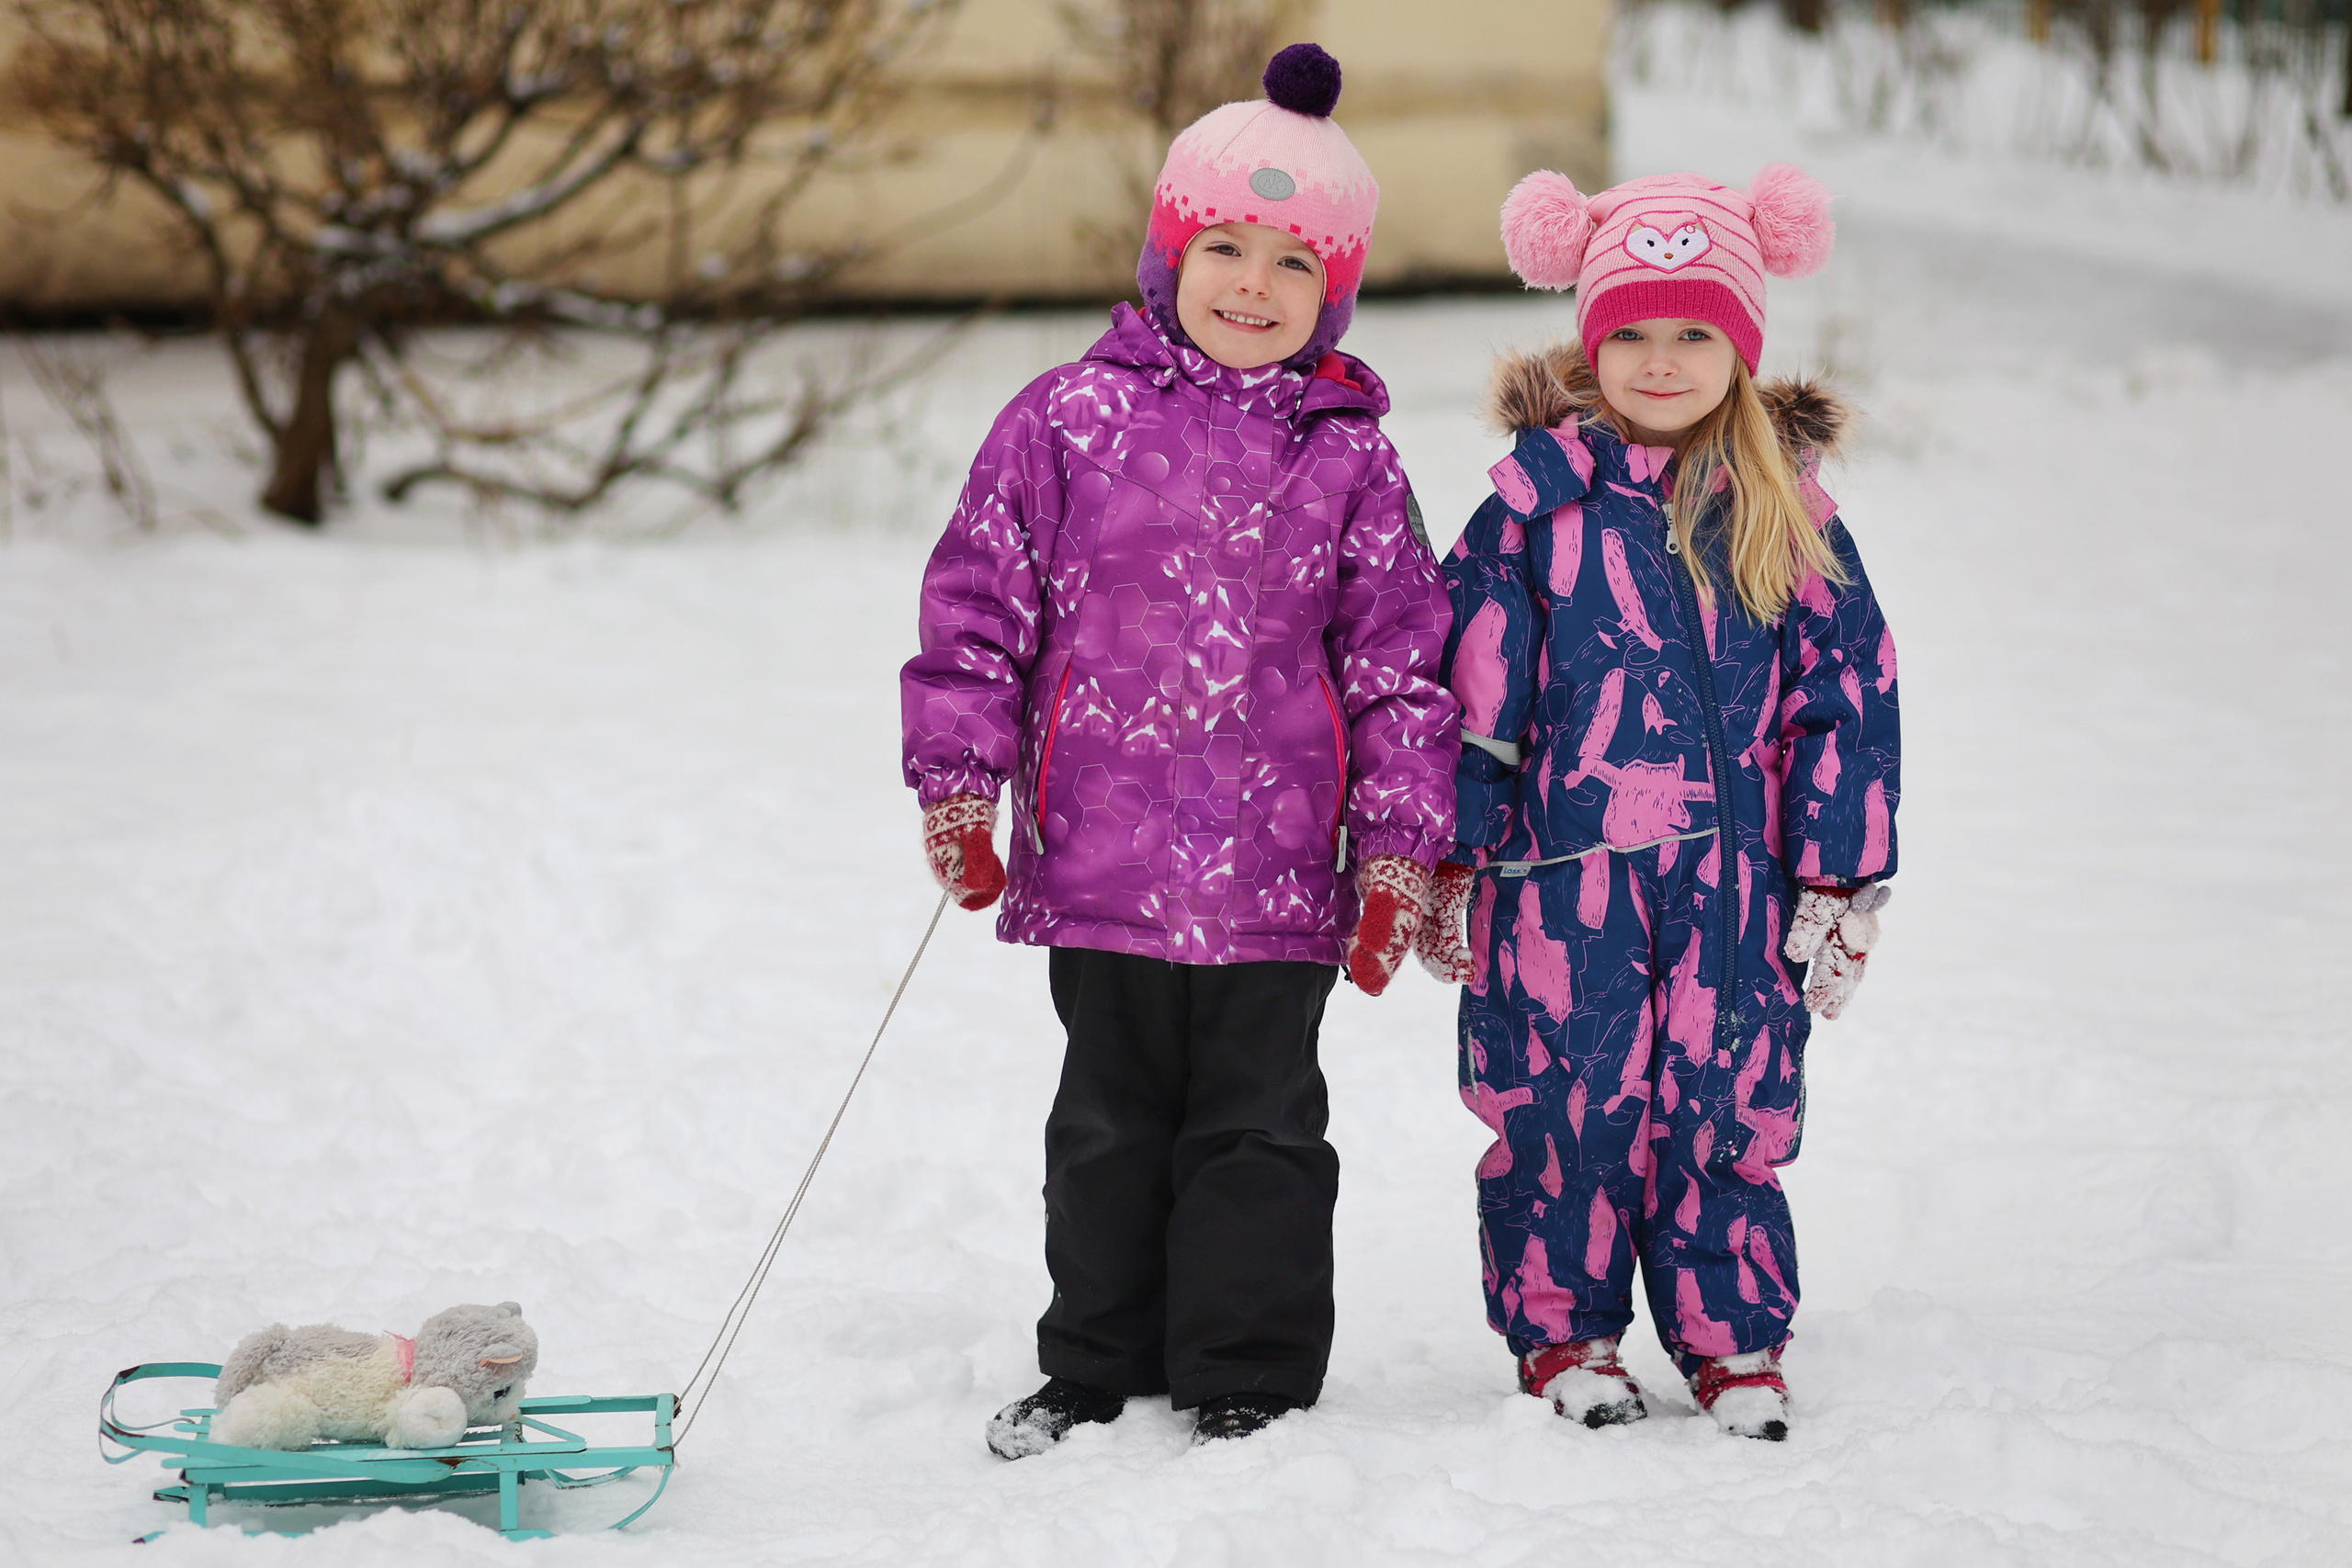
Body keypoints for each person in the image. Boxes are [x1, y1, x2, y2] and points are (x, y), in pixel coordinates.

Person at [899, 44, 1457, 1456]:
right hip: (1105, 853)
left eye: (1289, 263)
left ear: (1330, 292)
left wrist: (1398, 850)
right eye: (1223, 245)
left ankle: (1246, 1369)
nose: (1251, 285)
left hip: (1278, 875)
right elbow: (978, 607)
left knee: (1261, 1131)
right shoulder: (1066, 421)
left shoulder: (1351, 459)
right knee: (1105, 1125)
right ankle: (1096, 1355)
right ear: (1169, 252)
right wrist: (960, 782)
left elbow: (1401, 667)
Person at [1412, 165, 1899, 1441]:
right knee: (1563, 1104)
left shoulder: (1787, 516)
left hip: (1738, 892)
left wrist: (1840, 876)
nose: (1663, 359)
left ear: (1739, 349)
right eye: (1630, 330)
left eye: (1695, 332)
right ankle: (1563, 1331)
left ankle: (1736, 1341)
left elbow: (1845, 696)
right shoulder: (1533, 512)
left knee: (1727, 1108)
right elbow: (1471, 690)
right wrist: (1450, 853)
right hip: (1557, 884)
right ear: (1590, 340)